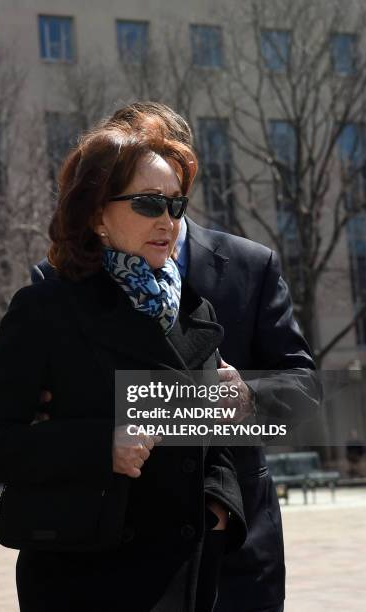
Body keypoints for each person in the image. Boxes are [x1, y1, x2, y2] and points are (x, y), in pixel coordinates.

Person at [32, 102, 321, 612]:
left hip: (235, 546)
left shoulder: (251, 266)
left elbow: (304, 389)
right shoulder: (58, 286)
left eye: (170, 196)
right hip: (111, 552)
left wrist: (249, 399)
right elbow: (12, 425)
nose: (162, 213)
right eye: (142, 197)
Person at [0, 117, 247, 612]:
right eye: (149, 203)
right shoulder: (46, 309)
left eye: (176, 205)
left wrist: (221, 506)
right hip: (85, 578)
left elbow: (208, 445)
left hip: (188, 572)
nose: (168, 220)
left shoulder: (195, 311)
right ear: (95, 214)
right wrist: (100, 445)